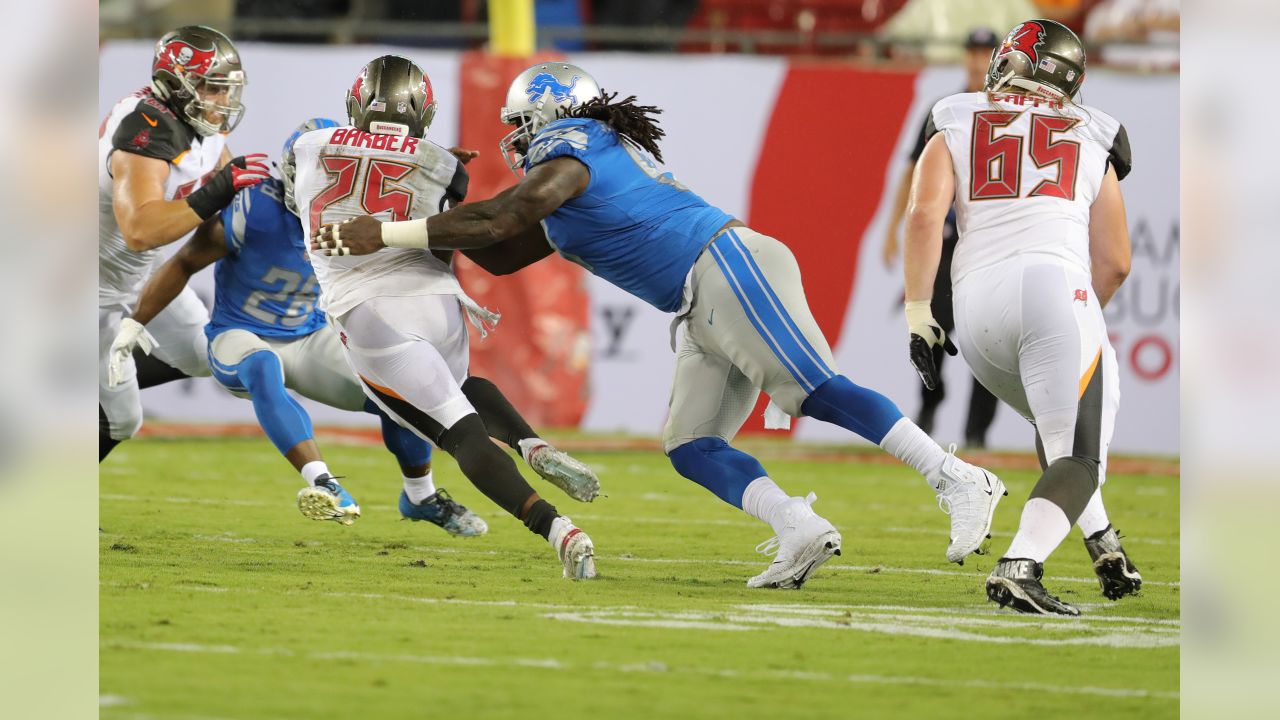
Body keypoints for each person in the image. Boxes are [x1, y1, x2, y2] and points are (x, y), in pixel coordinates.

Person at [313, 62, 1010, 589]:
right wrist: (424, 205)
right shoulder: (567, 183)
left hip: (725, 263)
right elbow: (494, 252)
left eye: (520, 124)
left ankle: (955, 476)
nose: (514, 137)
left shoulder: (575, 142)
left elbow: (500, 220)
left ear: (551, 114)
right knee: (692, 444)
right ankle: (798, 525)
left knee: (810, 391)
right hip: (695, 297)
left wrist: (385, 229)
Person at [109, 118, 599, 535]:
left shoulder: (357, 209)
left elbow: (405, 198)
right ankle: (323, 481)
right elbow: (183, 263)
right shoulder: (253, 210)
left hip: (307, 333)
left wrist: (432, 167)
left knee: (395, 389)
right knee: (260, 366)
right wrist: (136, 323)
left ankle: (420, 495)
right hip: (245, 334)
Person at [292, 56, 601, 580]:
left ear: (355, 104)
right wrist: (434, 165)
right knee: (457, 386)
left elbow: (333, 167)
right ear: (424, 114)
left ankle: (559, 530)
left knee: (459, 434)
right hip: (437, 299)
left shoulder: (306, 146)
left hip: (367, 311)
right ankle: (533, 443)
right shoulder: (443, 164)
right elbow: (436, 228)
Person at [901, 19, 1143, 615]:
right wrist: (1076, 320)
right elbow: (1114, 261)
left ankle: (1104, 542)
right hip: (1052, 286)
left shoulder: (955, 113)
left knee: (1059, 431)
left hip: (974, 305)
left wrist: (918, 311)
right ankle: (1021, 565)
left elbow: (925, 216)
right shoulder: (1097, 129)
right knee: (1081, 451)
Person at [100, 25, 269, 462]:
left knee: (201, 354)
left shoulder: (200, 124)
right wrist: (217, 193)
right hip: (88, 284)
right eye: (212, 88)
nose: (223, 102)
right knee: (121, 420)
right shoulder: (145, 130)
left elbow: (227, 177)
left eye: (226, 89)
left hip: (136, 276)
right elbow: (140, 230)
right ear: (176, 83)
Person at [883, 27, 1002, 447]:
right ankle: (930, 403)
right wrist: (893, 227)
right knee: (931, 328)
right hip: (949, 238)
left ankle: (976, 433)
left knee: (989, 340)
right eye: (972, 51)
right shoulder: (945, 109)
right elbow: (913, 171)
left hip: (990, 239)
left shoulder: (1010, 111)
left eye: (985, 52)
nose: (976, 60)